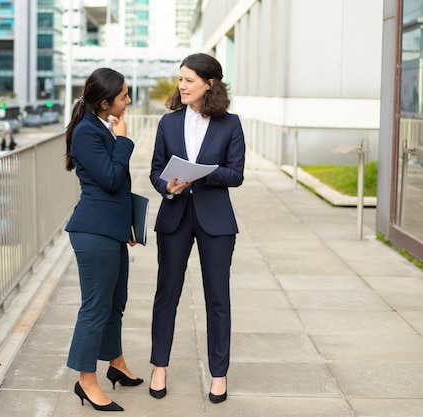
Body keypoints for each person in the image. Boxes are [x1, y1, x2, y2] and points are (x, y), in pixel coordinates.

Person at [148, 53, 246, 404]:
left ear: (210, 83)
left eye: (189, 79)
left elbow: (235, 174)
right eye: (181, 79)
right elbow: (156, 169)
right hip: (175, 215)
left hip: (216, 220)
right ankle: (159, 367)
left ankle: (218, 375)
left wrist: (203, 170)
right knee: (166, 294)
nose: (182, 86)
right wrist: (168, 186)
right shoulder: (168, 123)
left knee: (218, 300)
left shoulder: (230, 124)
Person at [64, 67, 142, 412]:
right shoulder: (86, 132)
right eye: (125, 96)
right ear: (105, 101)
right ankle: (86, 381)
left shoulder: (99, 126)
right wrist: (123, 140)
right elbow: (111, 179)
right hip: (93, 232)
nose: (129, 101)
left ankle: (117, 362)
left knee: (115, 302)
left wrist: (126, 226)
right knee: (95, 308)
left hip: (110, 230)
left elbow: (115, 185)